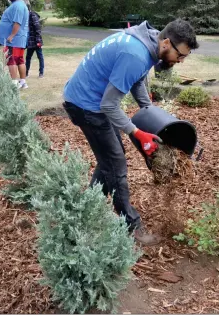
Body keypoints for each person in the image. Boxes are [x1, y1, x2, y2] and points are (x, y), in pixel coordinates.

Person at [62, 19, 199, 246]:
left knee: (109, 159)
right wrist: (137, 132)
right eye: (180, 55)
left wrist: (149, 109)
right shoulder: (134, 54)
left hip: (91, 101)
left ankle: (85, 208)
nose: (181, 61)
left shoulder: (147, 42)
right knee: (115, 164)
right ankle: (132, 226)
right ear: (166, 42)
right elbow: (109, 105)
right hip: (85, 105)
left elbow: (136, 80)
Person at [0, 0, 29, 89]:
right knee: (19, 60)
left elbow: (17, 23)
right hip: (19, 39)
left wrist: (11, 36)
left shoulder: (18, 6)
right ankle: (23, 82)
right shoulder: (18, 5)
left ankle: (14, 84)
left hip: (14, 39)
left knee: (11, 60)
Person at [25, 5, 44, 78]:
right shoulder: (27, 16)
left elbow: (38, 28)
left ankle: (41, 73)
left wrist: (38, 40)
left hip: (36, 41)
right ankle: (26, 73)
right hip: (30, 41)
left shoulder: (32, 15)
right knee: (28, 57)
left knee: (40, 56)